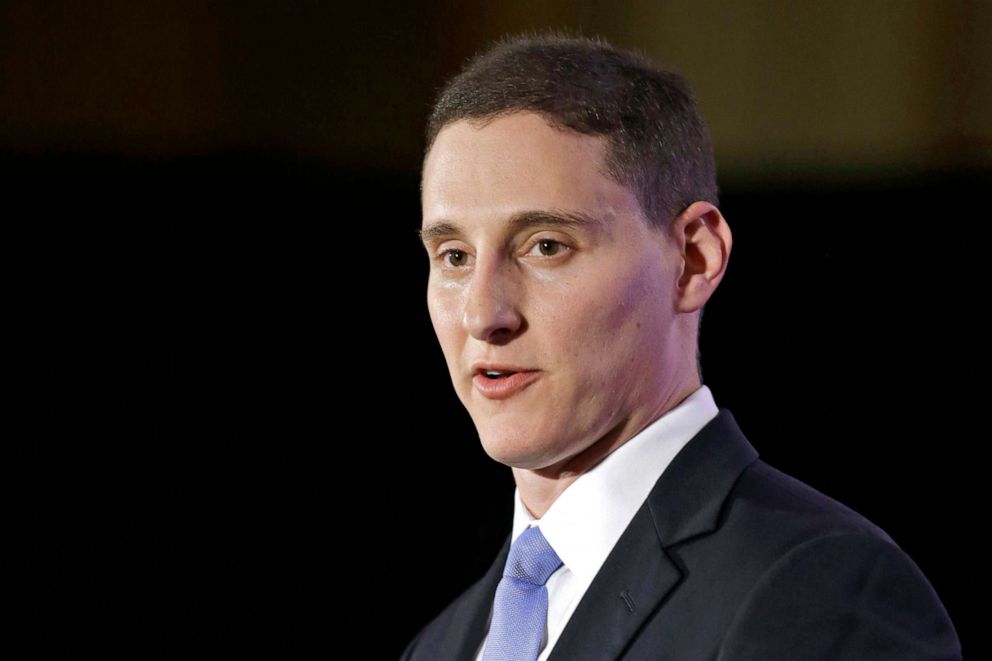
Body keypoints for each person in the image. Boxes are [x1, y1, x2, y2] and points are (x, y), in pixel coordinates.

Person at [402, 33, 961, 661]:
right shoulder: (441, 647)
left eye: (546, 245)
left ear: (694, 259)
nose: (482, 313)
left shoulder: (820, 590)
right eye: (453, 256)